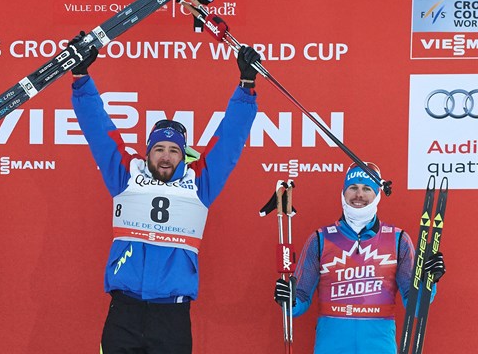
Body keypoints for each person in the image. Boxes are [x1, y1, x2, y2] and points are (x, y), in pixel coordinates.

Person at [69, 34, 260, 353]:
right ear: (148, 153)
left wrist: (245, 86)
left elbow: (229, 139)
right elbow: (98, 129)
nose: (166, 156)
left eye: (174, 150)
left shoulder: (200, 183)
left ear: (183, 154)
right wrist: (80, 79)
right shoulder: (126, 175)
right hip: (124, 311)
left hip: (172, 314)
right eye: (159, 148)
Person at [274, 162, 447, 354]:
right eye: (353, 188)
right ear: (343, 192)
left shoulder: (398, 240)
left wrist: (429, 280)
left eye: (367, 189)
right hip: (331, 348)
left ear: (377, 194)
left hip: (379, 348)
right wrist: (288, 300)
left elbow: (414, 307)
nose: (359, 195)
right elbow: (300, 300)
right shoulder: (320, 239)